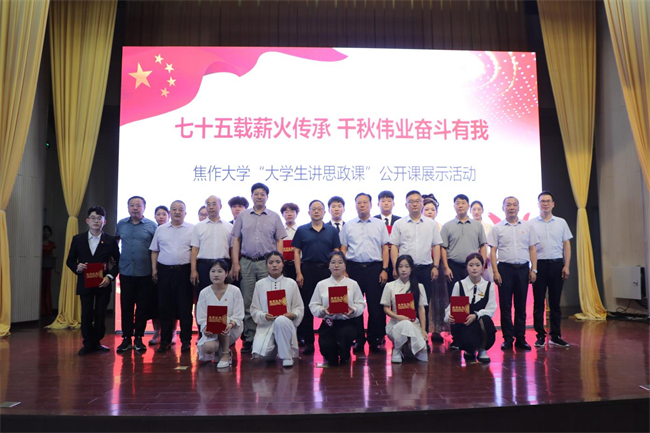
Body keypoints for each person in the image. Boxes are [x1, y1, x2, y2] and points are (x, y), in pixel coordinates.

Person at [231, 183, 287, 353]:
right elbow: (236, 239)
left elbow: (279, 240)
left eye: (263, 194)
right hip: (246, 262)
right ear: (252, 196)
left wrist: (278, 262)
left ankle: (270, 336)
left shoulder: (274, 216)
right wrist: (235, 263)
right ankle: (250, 338)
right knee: (248, 301)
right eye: (256, 194)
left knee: (269, 300)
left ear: (267, 197)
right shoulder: (243, 215)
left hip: (266, 263)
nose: (259, 196)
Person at [66, 206, 120, 355]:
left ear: (104, 221)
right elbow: (70, 260)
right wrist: (77, 267)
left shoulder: (110, 240)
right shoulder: (78, 239)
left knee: (101, 313)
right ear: (87, 220)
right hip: (85, 282)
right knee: (86, 313)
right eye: (93, 218)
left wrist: (110, 277)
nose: (96, 221)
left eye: (99, 218)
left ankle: (97, 342)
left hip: (103, 282)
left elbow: (118, 262)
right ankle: (88, 343)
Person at [340, 192, 390, 353]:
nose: (362, 205)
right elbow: (343, 248)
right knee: (355, 305)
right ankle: (358, 339)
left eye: (365, 202)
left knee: (375, 306)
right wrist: (344, 270)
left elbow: (385, 248)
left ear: (371, 205)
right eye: (359, 203)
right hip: (353, 268)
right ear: (355, 205)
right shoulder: (348, 225)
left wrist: (384, 269)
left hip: (375, 268)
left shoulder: (379, 224)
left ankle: (375, 338)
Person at [488, 196, 539, 351]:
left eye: (514, 205)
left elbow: (532, 249)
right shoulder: (497, 228)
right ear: (503, 208)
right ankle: (508, 339)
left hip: (523, 269)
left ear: (518, 207)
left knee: (521, 306)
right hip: (504, 269)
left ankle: (521, 338)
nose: (511, 207)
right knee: (505, 306)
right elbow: (493, 251)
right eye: (508, 205)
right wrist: (495, 271)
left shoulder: (528, 226)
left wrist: (534, 269)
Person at [292, 199, 341, 355]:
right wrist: (298, 273)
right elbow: (296, 252)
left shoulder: (332, 230)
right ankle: (308, 342)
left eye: (320, 209)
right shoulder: (302, 230)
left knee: (331, 305)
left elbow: (336, 251)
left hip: (327, 271)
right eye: (313, 209)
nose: (317, 211)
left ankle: (332, 339)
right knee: (307, 306)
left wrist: (337, 272)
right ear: (309, 212)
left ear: (324, 212)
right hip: (308, 270)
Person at [530, 191, 573, 348]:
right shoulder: (531, 224)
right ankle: (540, 336)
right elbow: (530, 247)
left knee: (555, 303)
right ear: (538, 204)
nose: (545, 203)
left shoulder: (561, 222)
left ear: (553, 204)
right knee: (538, 303)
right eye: (542, 201)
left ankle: (555, 335)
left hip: (556, 265)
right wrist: (532, 268)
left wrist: (566, 265)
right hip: (539, 266)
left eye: (548, 201)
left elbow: (566, 244)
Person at [150, 200, 194, 353]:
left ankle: (186, 341)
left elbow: (195, 251)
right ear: (170, 212)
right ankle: (165, 341)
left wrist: (193, 270)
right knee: (165, 307)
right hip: (164, 271)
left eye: (180, 209)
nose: (177, 212)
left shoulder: (192, 229)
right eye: (174, 209)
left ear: (185, 213)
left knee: (185, 307)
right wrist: (154, 269)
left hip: (184, 271)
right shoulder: (161, 229)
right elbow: (154, 250)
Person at [115, 196, 158, 353]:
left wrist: (155, 269)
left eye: (138, 205)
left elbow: (156, 249)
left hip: (145, 272)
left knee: (142, 308)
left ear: (144, 208)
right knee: (126, 306)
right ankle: (126, 338)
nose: (135, 208)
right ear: (127, 207)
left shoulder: (152, 225)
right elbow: (116, 243)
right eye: (132, 205)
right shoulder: (121, 224)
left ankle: (139, 337)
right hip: (126, 271)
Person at [309, 252, 365, 366]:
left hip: (347, 322)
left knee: (345, 337)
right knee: (329, 353)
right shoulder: (321, 285)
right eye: (333, 262)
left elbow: (361, 304)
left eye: (340, 262)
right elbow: (313, 305)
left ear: (345, 265)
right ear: (328, 265)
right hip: (329, 323)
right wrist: (323, 310)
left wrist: (353, 310)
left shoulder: (353, 284)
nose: (336, 265)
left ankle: (345, 352)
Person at [250, 251, 304, 367]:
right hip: (266, 326)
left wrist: (293, 315)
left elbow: (299, 307)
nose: (274, 265)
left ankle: (286, 357)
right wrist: (264, 316)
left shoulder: (291, 283)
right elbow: (254, 310)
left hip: (285, 324)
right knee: (263, 356)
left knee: (281, 320)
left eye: (278, 262)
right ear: (266, 265)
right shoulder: (260, 284)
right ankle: (275, 349)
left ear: (283, 264)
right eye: (271, 262)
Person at [445, 253, 497, 363]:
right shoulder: (459, 285)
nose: (474, 268)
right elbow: (452, 306)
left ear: (482, 267)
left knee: (485, 320)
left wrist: (476, 315)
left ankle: (482, 349)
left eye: (477, 265)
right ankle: (469, 349)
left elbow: (491, 309)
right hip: (464, 324)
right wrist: (448, 315)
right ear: (466, 267)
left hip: (480, 323)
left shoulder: (489, 286)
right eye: (471, 265)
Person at [196, 259, 244, 368]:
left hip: (231, 328)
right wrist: (205, 328)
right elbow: (202, 317)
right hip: (212, 330)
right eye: (213, 271)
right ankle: (219, 352)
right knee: (209, 347)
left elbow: (238, 314)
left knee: (224, 319)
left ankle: (225, 353)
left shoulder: (235, 291)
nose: (216, 274)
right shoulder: (204, 293)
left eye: (220, 271)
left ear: (226, 273)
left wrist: (231, 324)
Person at [381, 255, 428, 363]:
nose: (403, 269)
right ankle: (397, 350)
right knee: (405, 323)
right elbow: (386, 308)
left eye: (407, 266)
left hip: (414, 323)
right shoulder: (390, 286)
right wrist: (398, 317)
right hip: (395, 323)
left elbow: (421, 309)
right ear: (396, 268)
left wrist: (423, 330)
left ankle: (407, 347)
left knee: (423, 356)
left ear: (411, 268)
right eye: (400, 266)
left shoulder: (419, 286)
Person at [420, 193, 449, 343]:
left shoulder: (440, 227)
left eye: (432, 209)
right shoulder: (419, 226)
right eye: (427, 209)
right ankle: (424, 328)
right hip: (424, 266)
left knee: (438, 299)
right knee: (425, 299)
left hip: (438, 267)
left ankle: (437, 329)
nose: (430, 212)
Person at [148, 205, 170, 346]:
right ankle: (157, 332)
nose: (161, 217)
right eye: (158, 214)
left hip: (169, 271)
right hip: (154, 271)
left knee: (171, 304)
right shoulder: (151, 230)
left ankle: (171, 332)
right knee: (155, 304)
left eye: (164, 214)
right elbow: (153, 250)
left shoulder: (171, 230)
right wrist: (153, 269)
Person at [374, 190, 401, 282]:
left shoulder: (400, 221)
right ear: (378, 204)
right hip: (379, 259)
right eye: (383, 201)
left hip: (396, 258)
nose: (386, 203)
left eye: (389, 201)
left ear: (393, 204)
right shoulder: (373, 221)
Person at [471, 200, 494, 282]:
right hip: (471, 260)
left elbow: (493, 245)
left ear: (483, 210)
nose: (476, 212)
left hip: (486, 262)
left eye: (479, 209)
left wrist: (489, 256)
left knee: (486, 285)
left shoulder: (489, 226)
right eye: (474, 209)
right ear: (470, 211)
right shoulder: (468, 226)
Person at [280, 202, 300, 280]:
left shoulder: (300, 230)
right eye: (286, 212)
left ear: (296, 214)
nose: (289, 214)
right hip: (283, 265)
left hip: (298, 264)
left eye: (292, 211)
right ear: (282, 214)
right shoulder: (279, 230)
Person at [41, 225, 57, 316]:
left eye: (47, 231)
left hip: (47, 268)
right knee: (40, 287)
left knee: (47, 288)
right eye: (44, 230)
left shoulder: (52, 244)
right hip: (39, 268)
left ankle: (47, 309)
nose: (46, 232)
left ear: (50, 233)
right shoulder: (38, 242)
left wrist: (55, 268)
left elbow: (54, 257)